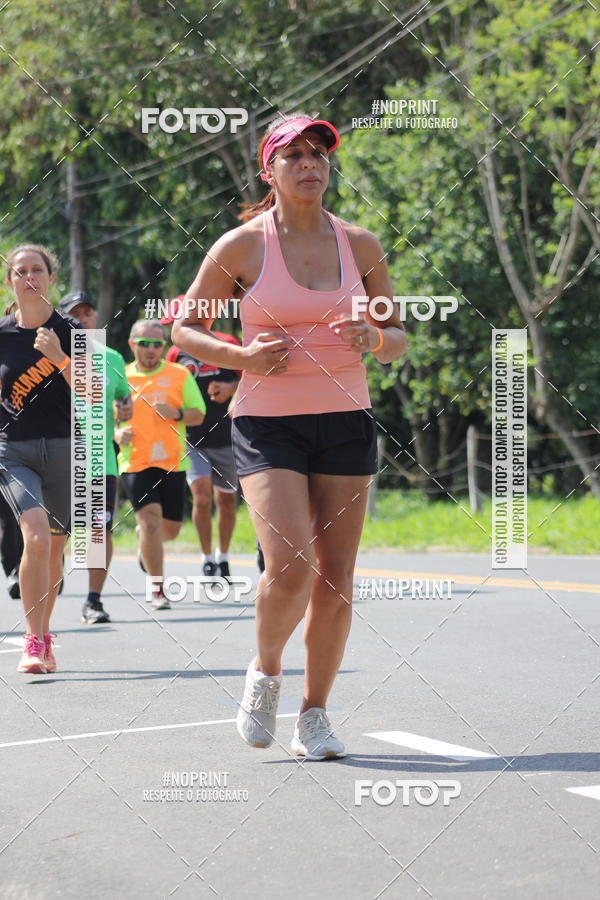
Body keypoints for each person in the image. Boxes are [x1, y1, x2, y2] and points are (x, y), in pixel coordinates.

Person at [173, 114, 406, 759]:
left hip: (346, 419)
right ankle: (266, 671)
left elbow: (397, 338)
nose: (310, 165)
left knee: (336, 576)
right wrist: (242, 357)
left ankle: (315, 714)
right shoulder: (241, 247)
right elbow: (183, 330)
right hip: (266, 423)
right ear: (268, 171)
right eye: (294, 155)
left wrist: (375, 337)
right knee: (290, 565)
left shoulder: (360, 245)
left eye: (319, 155)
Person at [0, 244, 81, 673]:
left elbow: (93, 394)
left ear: (51, 277)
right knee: (35, 537)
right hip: (14, 450)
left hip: (66, 448)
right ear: (9, 281)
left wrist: (60, 358)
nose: (29, 277)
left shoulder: (72, 330)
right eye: (20, 271)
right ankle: (32, 642)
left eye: (37, 270)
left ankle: (44, 635)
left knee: (53, 550)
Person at [114, 318, 205, 610]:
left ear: (164, 346)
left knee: (171, 529)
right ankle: (157, 589)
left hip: (172, 462)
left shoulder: (179, 374)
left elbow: (199, 413)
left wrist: (176, 413)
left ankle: (145, 542)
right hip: (135, 461)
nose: (151, 349)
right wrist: (116, 433)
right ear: (132, 345)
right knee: (151, 519)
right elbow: (103, 416)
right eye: (144, 343)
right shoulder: (120, 376)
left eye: (157, 344)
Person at [57, 290, 132, 624]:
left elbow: (124, 400)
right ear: (62, 319)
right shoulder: (49, 353)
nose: (83, 319)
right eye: (75, 314)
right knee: (55, 534)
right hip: (58, 457)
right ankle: (53, 566)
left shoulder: (112, 358)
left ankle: (93, 600)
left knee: (99, 531)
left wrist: (125, 409)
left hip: (101, 460)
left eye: (87, 313)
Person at [161, 296, 241, 581]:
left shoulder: (227, 342)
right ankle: (207, 558)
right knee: (202, 496)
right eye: (171, 325)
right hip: (191, 438)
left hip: (228, 437)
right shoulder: (174, 353)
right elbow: (166, 388)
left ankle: (223, 557)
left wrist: (231, 387)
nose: (175, 329)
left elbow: (255, 377)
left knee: (226, 501)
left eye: (178, 322)